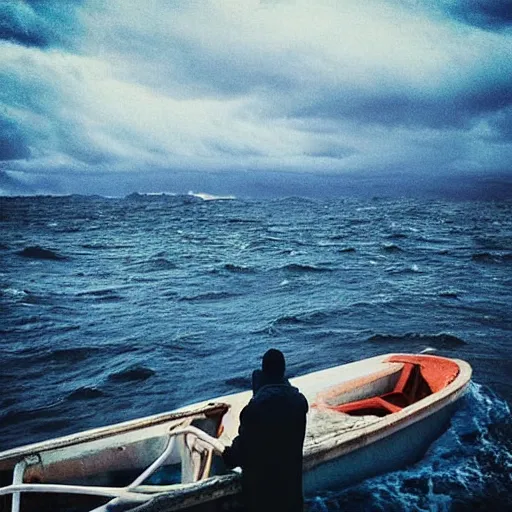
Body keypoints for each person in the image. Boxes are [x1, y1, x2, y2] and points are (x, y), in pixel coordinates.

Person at [223, 349, 309, 512]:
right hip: (292, 500)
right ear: (283, 372)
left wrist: (227, 454)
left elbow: (240, 454)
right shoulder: (298, 405)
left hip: (262, 501)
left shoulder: (254, 411)